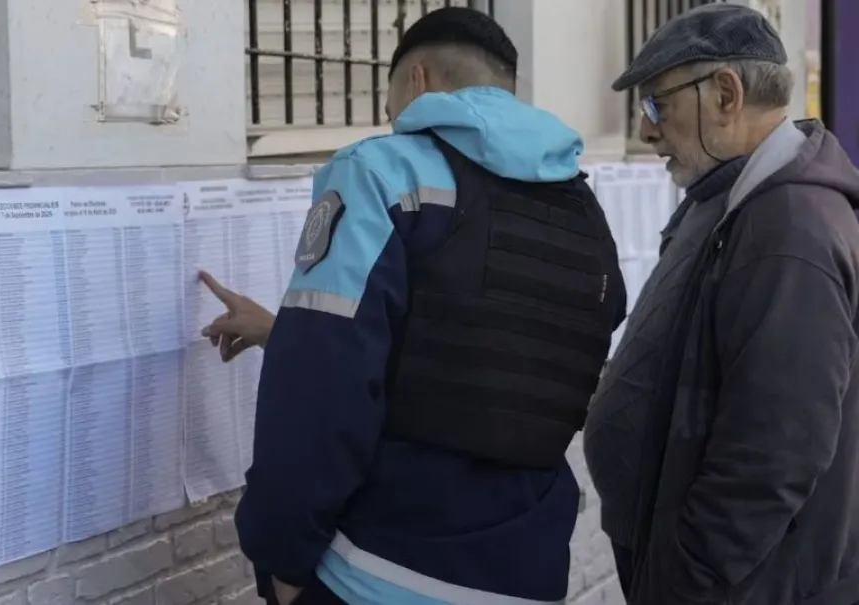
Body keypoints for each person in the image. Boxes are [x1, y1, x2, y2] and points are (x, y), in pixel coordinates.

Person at [198, 7, 626, 604]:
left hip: (380, 571)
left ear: (416, 80)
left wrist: (281, 560)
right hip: (528, 574)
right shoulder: (580, 205)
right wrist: (283, 331)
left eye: (389, 106)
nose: (392, 122)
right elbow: (498, 354)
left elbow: (321, 388)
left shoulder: (381, 172)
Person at [582, 4, 859, 604]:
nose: (646, 131)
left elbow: (771, 458)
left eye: (657, 105)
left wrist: (682, 580)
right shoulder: (735, 200)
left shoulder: (789, 232)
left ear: (726, 95)